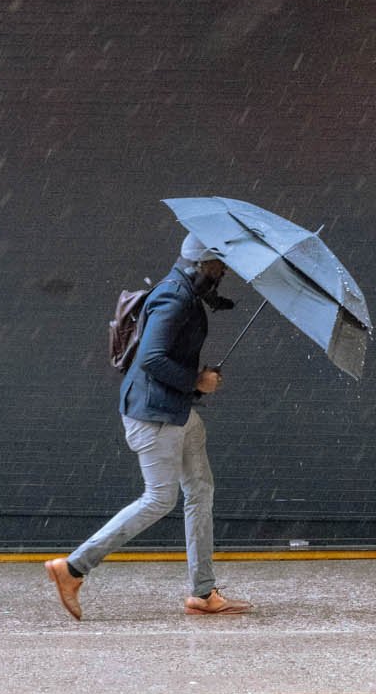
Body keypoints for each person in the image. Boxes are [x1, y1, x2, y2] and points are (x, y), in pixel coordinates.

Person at [44, 233, 248, 619]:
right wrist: (197, 380)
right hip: (154, 415)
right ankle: (72, 568)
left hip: (177, 412)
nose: (223, 273)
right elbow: (153, 358)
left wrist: (195, 378)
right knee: (160, 498)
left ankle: (202, 593)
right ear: (201, 263)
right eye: (218, 266)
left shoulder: (184, 292)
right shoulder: (174, 297)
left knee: (200, 490)